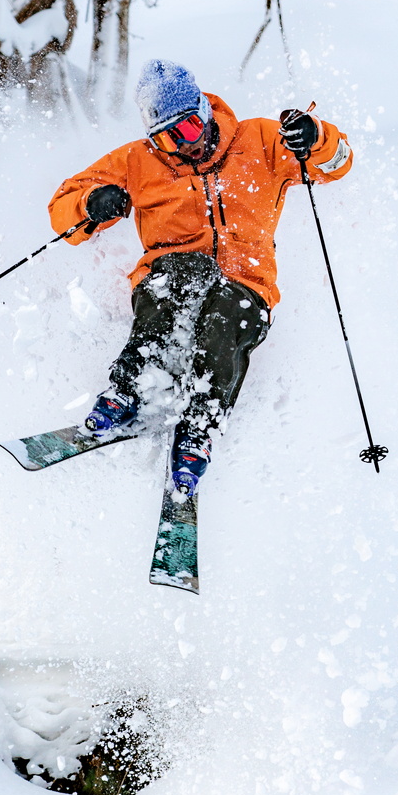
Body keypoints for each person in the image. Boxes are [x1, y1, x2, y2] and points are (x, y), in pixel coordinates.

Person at [47, 59, 353, 497]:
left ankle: (200, 427)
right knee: (181, 273)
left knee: (229, 308)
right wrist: (92, 203)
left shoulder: (261, 140)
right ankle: (127, 389)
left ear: (205, 112)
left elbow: (337, 163)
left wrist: (316, 140)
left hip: (247, 284)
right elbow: (63, 208)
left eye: (189, 128)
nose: (183, 145)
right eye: (168, 138)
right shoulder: (138, 161)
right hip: (169, 278)